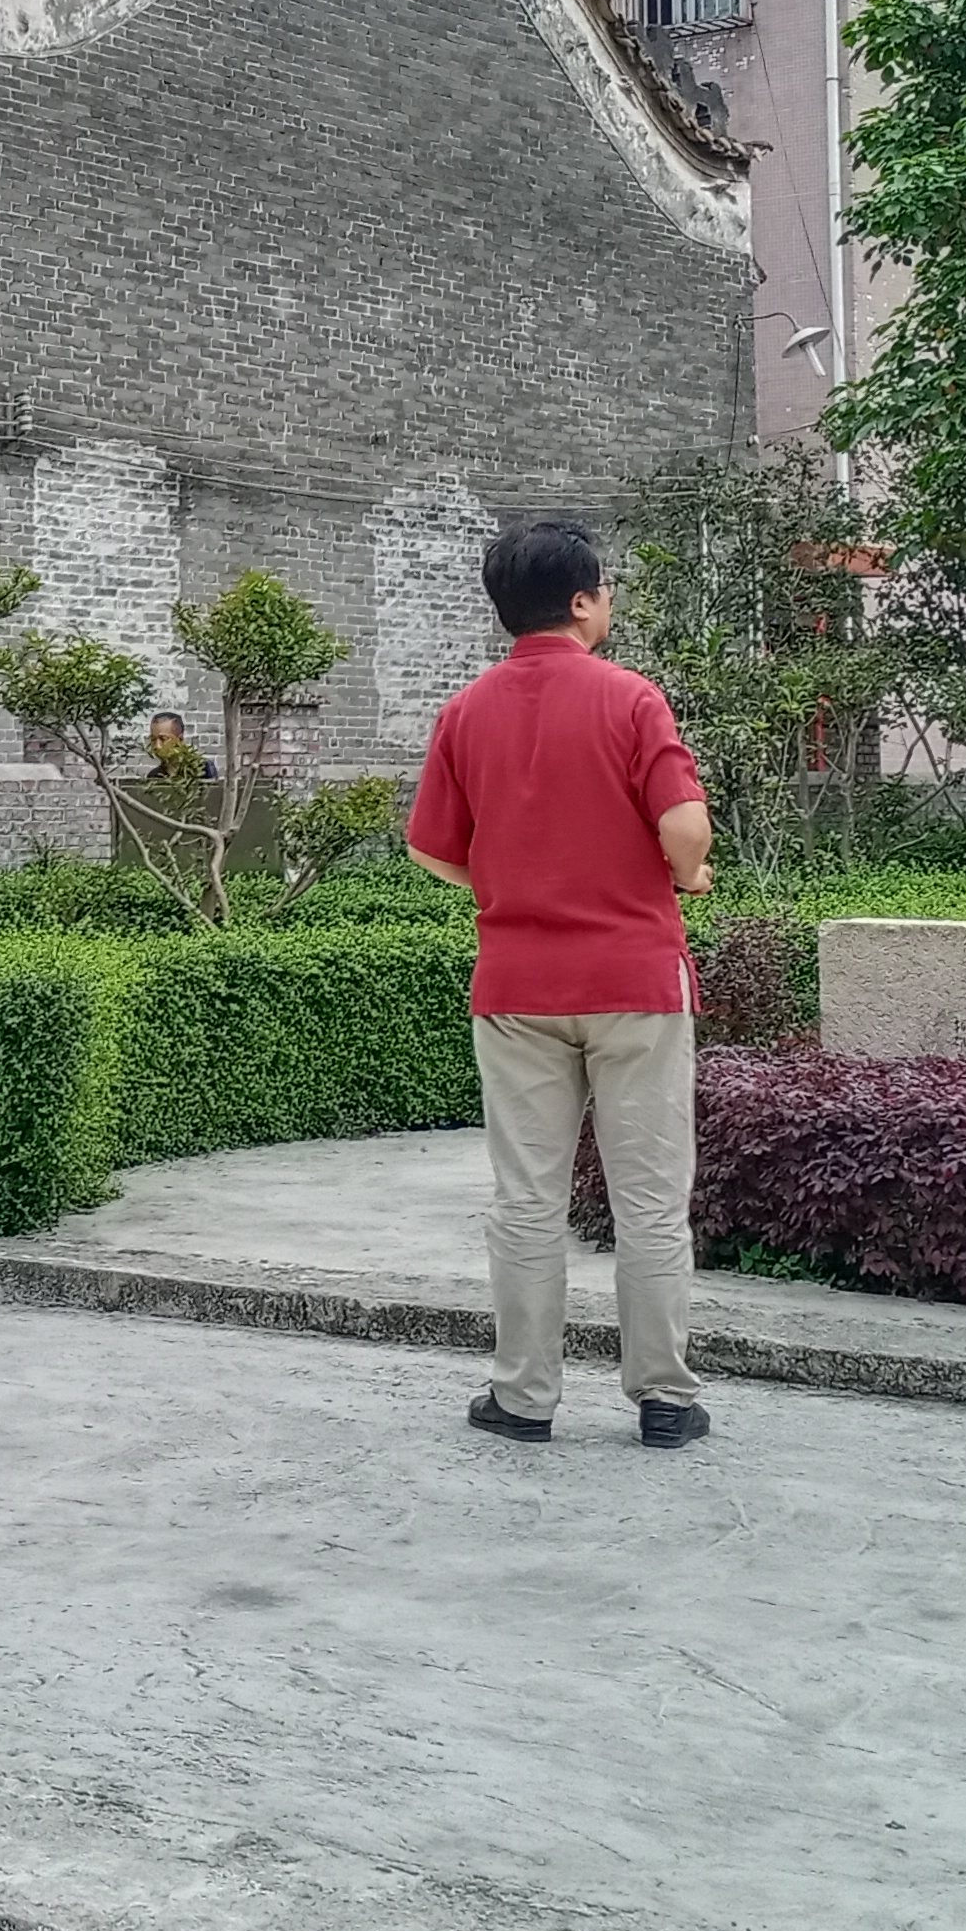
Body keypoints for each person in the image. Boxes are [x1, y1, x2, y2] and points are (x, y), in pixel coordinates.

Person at [405, 517, 715, 1451]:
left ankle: (524, 1397)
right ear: (582, 602)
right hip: (635, 982)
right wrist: (687, 873)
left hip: (516, 987)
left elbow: (430, 848)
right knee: (648, 1200)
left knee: (526, 1199)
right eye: (605, 587)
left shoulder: (465, 711)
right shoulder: (631, 698)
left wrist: (511, 879)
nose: (608, 599)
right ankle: (663, 1399)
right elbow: (685, 824)